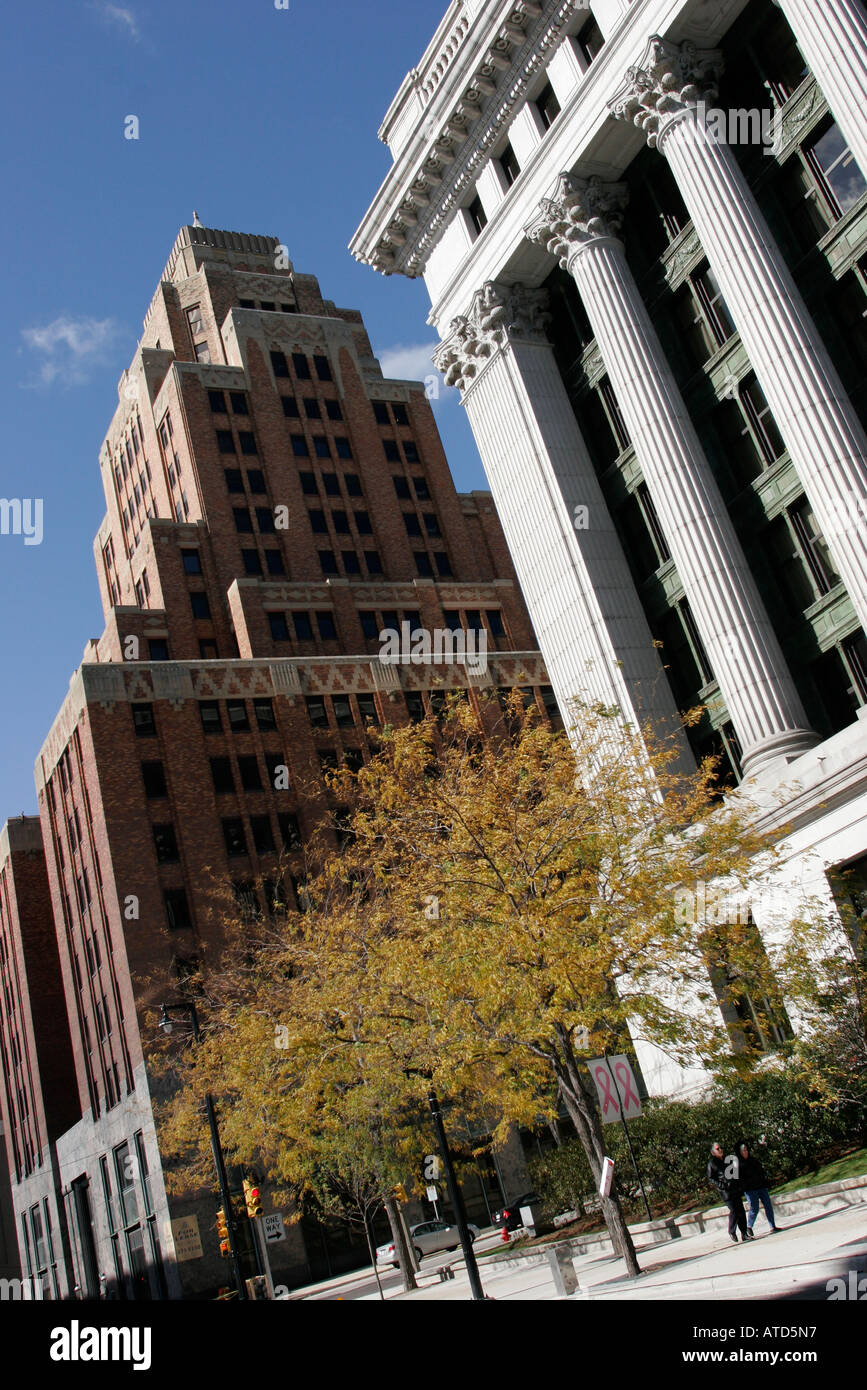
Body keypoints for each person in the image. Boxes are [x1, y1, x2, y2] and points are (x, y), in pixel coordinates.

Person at [707, 1140, 752, 1243]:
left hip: (735, 1189)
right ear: (713, 1151)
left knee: (741, 1211)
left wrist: (739, 1184)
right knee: (734, 1210)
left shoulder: (728, 1160)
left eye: (721, 1147)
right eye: (718, 1149)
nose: (720, 1150)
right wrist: (722, 1186)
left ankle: (744, 1234)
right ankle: (731, 1231)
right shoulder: (712, 1163)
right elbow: (711, 1178)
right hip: (726, 1192)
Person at [737, 1140, 779, 1234]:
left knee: (768, 1205)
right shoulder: (739, 1165)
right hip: (750, 1190)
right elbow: (739, 1180)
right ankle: (749, 1226)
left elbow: (761, 1172)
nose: (746, 1152)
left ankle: (773, 1226)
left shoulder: (754, 1161)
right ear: (740, 1152)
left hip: (761, 1187)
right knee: (754, 1208)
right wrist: (744, 1188)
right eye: (743, 1150)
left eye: (746, 1149)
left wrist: (764, 1182)